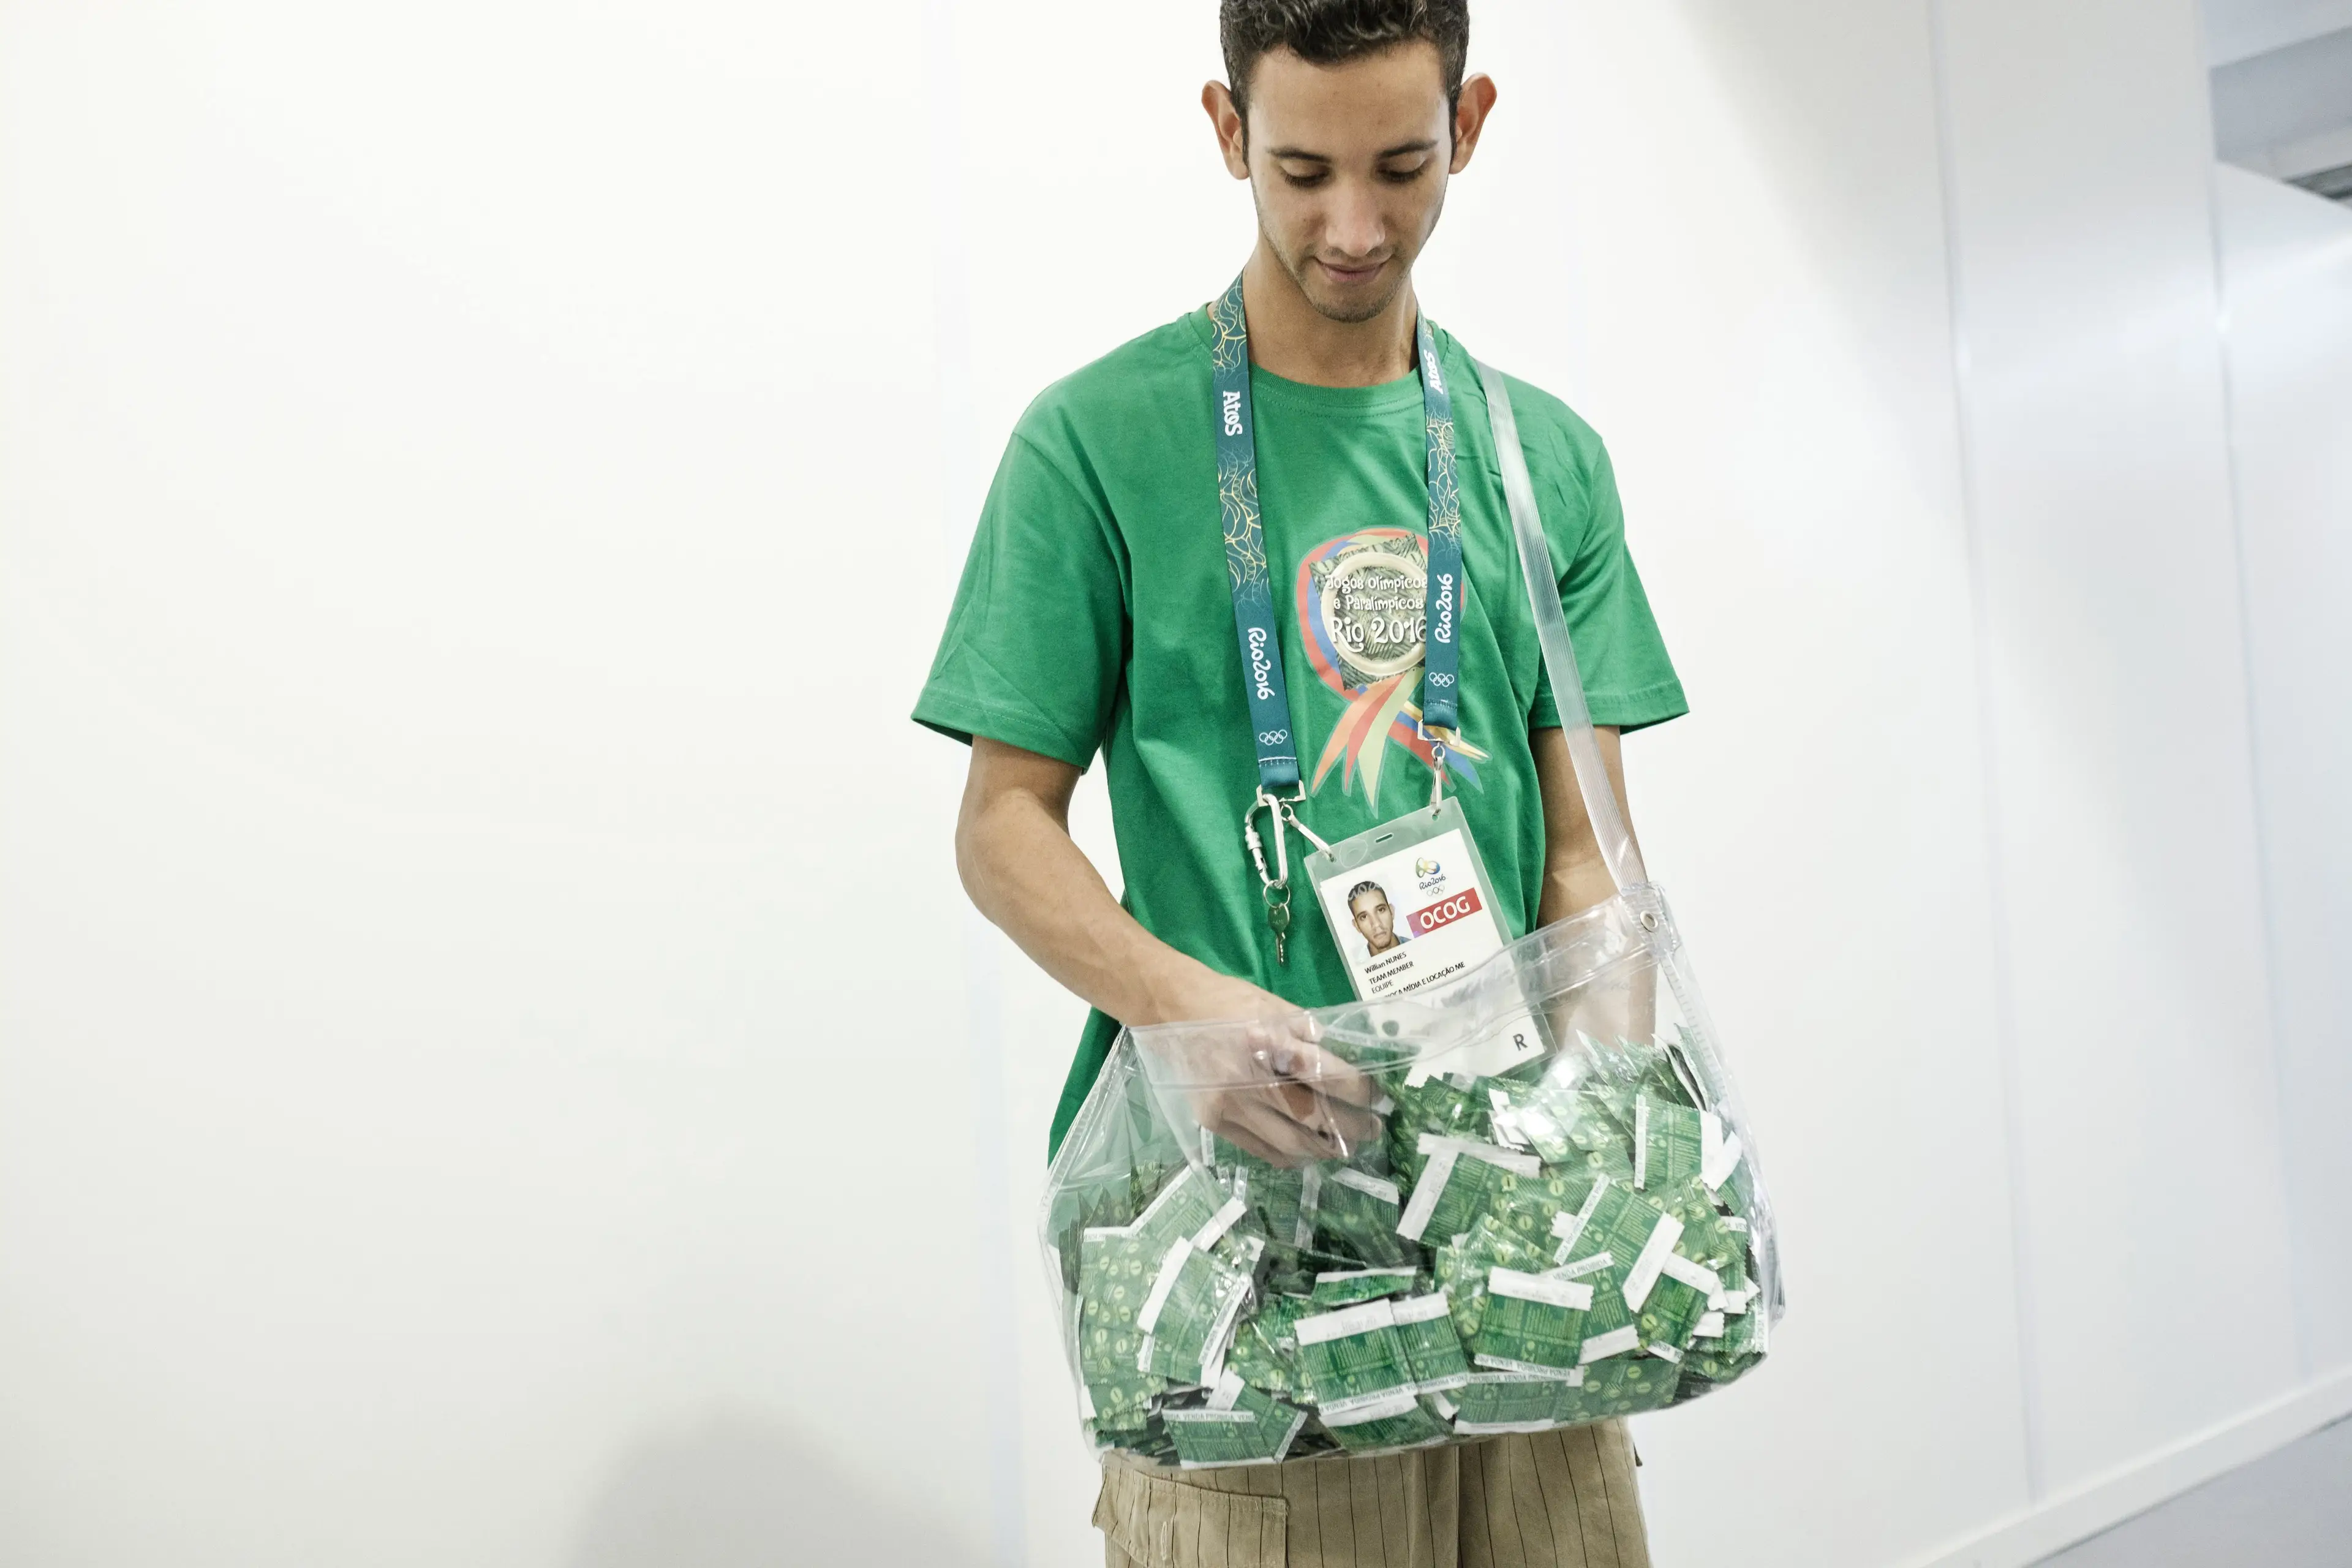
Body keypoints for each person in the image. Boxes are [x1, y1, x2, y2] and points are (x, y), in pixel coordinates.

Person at [914, 2, 1686, 1562]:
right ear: (1223, 131)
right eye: (1299, 170)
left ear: (1468, 123)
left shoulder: (1541, 457)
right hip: (1237, 1248)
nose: (1351, 225)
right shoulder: (1094, 444)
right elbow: (1001, 827)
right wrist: (1175, 1004)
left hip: (1508, 1250)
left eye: (1401, 166)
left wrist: (1595, 1144)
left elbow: (1588, 859)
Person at [1348, 880, 1401, 956]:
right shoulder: (1356, 965)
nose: (1376, 924)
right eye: (1364, 917)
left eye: (1381, 910)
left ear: (1392, 912)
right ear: (1357, 926)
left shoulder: (1418, 946)